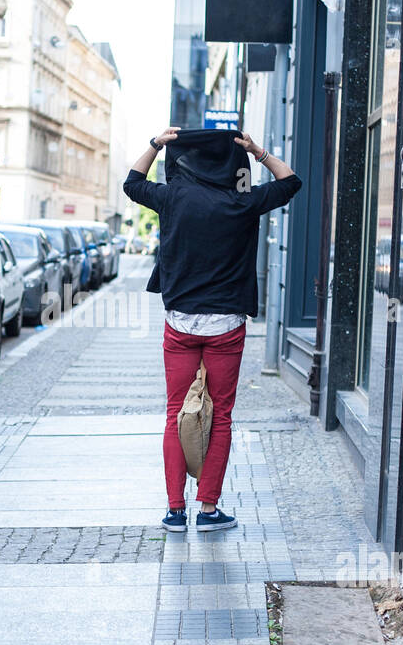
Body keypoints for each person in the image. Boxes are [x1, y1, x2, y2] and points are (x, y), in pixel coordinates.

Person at [124, 127, 302, 533]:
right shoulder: (241, 202)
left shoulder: (172, 198)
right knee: (220, 417)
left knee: (174, 415)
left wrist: (154, 144)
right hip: (225, 326)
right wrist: (258, 152)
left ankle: (174, 511)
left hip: (181, 323)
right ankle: (207, 510)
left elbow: (132, 183)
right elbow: (291, 182)